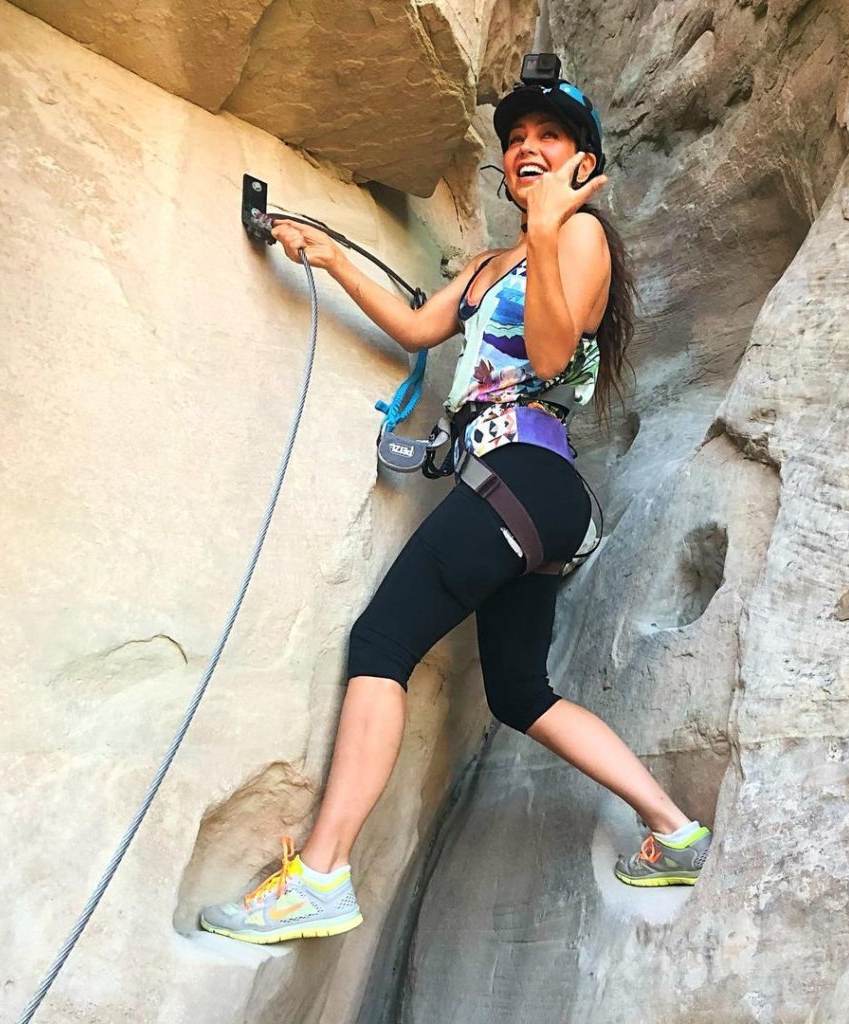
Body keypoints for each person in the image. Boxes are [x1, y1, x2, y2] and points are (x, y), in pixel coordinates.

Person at [199, 65, 712, 945]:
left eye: (549, 137)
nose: (527, 149)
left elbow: (549, 357)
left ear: (584, 164)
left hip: (521, 473)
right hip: (532, 497)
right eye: (516, 140)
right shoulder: (485, 267)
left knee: (382, 642)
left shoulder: (580, 236)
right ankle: (674, 829)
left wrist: (547, 227)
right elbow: (415, 328)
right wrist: (328, 256)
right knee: (519, 691)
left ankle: (320, 875)